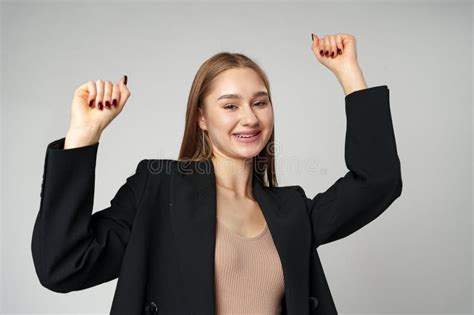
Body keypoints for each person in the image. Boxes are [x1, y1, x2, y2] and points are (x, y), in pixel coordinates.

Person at [31, 33, 402, 314]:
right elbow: (64, 266)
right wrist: (84, 134)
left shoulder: (290, 211)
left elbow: (377, 181)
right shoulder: (160, 190)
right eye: (230, 105)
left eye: (260, 102)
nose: (250, 117)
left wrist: (349, 73)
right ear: (202, 118)